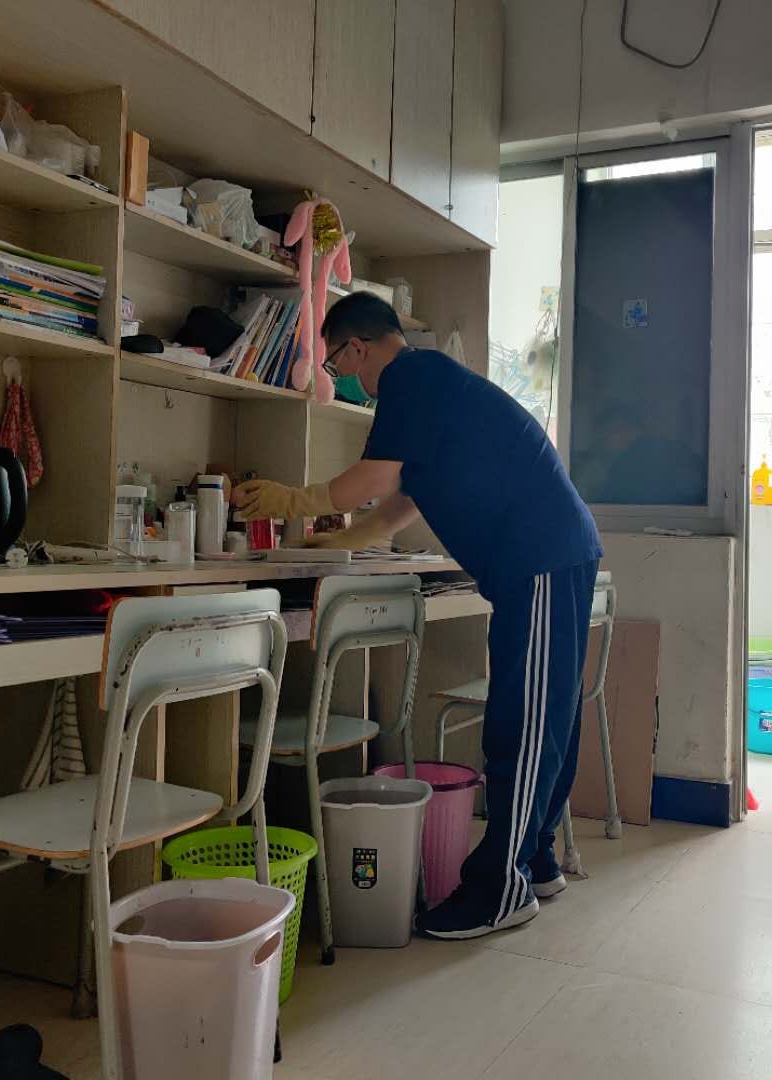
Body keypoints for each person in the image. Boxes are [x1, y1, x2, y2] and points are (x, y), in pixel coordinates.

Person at [232, 292, 602, 940]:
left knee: (525, 723)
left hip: (540, 556)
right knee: (541, 718)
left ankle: (500, 889)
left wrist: (296, 499)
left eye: (337, 363)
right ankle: (534, 860)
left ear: (357, 348)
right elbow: (402, 501)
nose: (343, 376)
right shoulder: (430, 389)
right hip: (540, 558)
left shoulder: (411, 377)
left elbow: (371, 479)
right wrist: (339, 540)